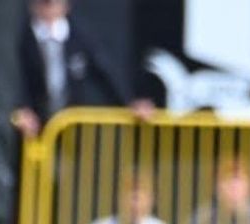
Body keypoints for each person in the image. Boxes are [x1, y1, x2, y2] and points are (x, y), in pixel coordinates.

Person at [13, 0, 154, 139]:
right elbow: (14, 79)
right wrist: (22, 108)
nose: (50, 7)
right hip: (33, 130)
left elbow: (106, 73)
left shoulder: (78, 36)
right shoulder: (21, 36)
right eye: (45, 3)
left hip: (69, 129)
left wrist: (130, 103)